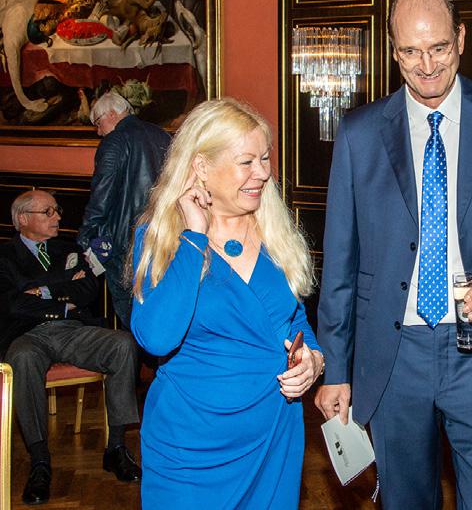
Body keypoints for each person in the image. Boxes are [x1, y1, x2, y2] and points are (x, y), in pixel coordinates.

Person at [314, 0, 472, 509]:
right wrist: (336, 368)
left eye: (439, 48)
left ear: (461, 39)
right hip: (393, 353)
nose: (426, 66)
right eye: (410, 51)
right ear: (392, 50)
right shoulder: (359, 133)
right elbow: (340, 262)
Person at [130, 98, 323, 509]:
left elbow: (293, 320)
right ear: (201, 166)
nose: (263, 172)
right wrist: (194, 238)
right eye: (247, 162)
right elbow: (157, 338)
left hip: (274, 435)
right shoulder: (162, 237)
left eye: (265, 158)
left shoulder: (275, 230)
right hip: (190, 448)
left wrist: (314, 360)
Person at [0, 189, 141, 506]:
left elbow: (88, 289)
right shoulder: (4, 256)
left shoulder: (69, 248)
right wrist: (64, 289)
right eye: (48, 212)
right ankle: (39, 461)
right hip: (28, 333)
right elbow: (11, 304)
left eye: (57, 210)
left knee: (122, 343)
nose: (57, 217)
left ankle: (116, 448)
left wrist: (42, 290)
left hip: (73, 329)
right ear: (23, 218)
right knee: (23, 356)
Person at [78, 90, 170, 328]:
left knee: (132, 317)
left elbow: (102, 194)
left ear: (111, 114)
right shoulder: (163, 135)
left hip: (124, 243)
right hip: (164, 236)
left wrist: (86, 236)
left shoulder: (114, 141)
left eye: (98, 123)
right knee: (161, 309)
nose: (98, 131)